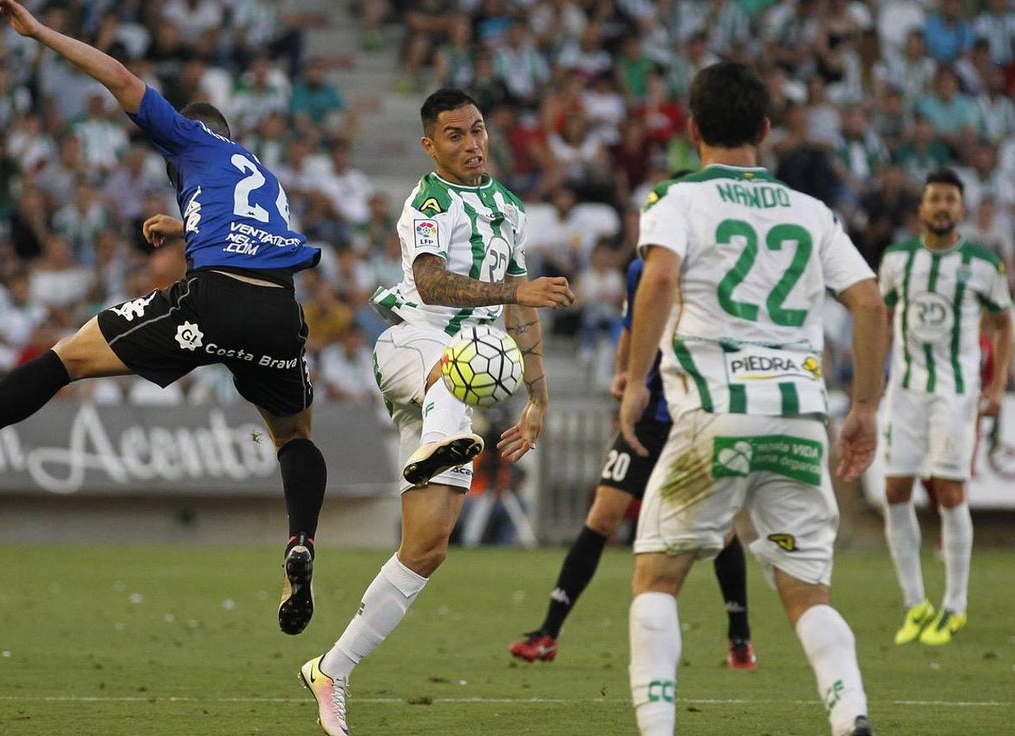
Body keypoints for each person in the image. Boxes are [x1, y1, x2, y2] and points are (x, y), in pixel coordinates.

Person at [0, 0, 328, 638]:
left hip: (213, 299)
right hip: (278, 310)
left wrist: (37, 30)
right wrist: (184, 224)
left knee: (64, 358)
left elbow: (119, 77)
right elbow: (255, 230)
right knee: (294, 438)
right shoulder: (258, 171)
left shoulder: (189, 136)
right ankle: (300, 544)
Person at [618, 62, 886, 736]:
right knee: (805, 592)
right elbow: (869, 300)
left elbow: (657, 283)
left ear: (691, 128)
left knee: (656, 580)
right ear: (766, 130)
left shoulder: (676, 200)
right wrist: (865, 409)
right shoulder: (811, 210)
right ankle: (851, 712)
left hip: (715, 412)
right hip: (798, 418)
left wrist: (635, 379)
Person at [298, 88, 575, 736]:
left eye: (477, 130)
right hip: (411, 346)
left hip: (458, 379)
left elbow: (520, 309)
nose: (473, 143)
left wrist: (538, 399)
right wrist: (513, 288)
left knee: (426, 548)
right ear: (430, 145)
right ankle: (444, 437)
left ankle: (330, 671)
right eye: (455, 135)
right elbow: (427, 281)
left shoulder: (508, 209)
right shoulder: (428, 201)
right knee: (464, 352)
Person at [509, 253, 755, 670]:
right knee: (602, 516)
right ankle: (548, 633)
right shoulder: (643, 268)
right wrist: (623, 373)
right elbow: (631, 327)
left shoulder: (714, 265)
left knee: (720, 528)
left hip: (694, 418)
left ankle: (740, 637)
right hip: (646, 418)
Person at [878, 168, 1012, 647]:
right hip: (905, 393)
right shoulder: (896, 260)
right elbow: (882, 317)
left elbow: (1004, 323)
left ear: (961, 209)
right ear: (921, 208)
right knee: (895, 491)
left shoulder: (982, 263)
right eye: (934, 198)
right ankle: (916, 604)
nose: (941, 207)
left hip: (955, 393)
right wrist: (873, 378)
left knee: (951, 493)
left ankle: (955, 605)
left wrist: (996, 388)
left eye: (950, 200)